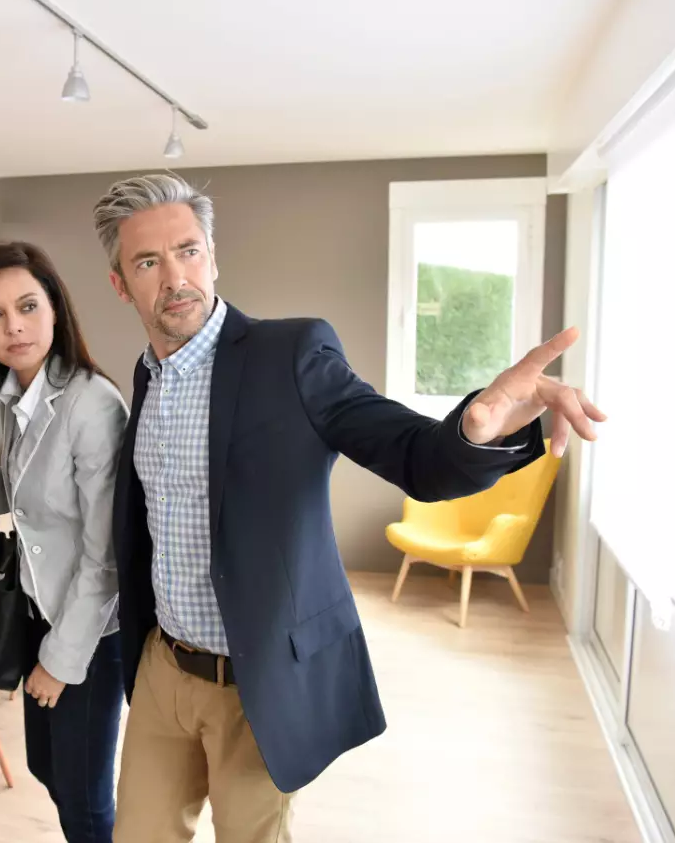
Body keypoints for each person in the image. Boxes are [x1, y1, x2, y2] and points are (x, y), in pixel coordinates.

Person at [93, 173, 606, 843]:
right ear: (120, 282)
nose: (176, 276)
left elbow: (411, 453)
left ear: (214, 254)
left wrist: (477, 426)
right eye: (148, 261)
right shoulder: (147, 378)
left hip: (255, 678)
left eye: (189, 250)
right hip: (163, 669)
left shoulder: (291, 354)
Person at [0, 241, 128, 843]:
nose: (13, 326)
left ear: (55, 308)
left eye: (27, 306)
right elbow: (48, 507)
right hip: (38, 613)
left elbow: (106, 554)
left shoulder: (92, 405)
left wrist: (60, 659)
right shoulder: (15, 398)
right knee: (45, 767)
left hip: (86, 631)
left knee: (83, 798)